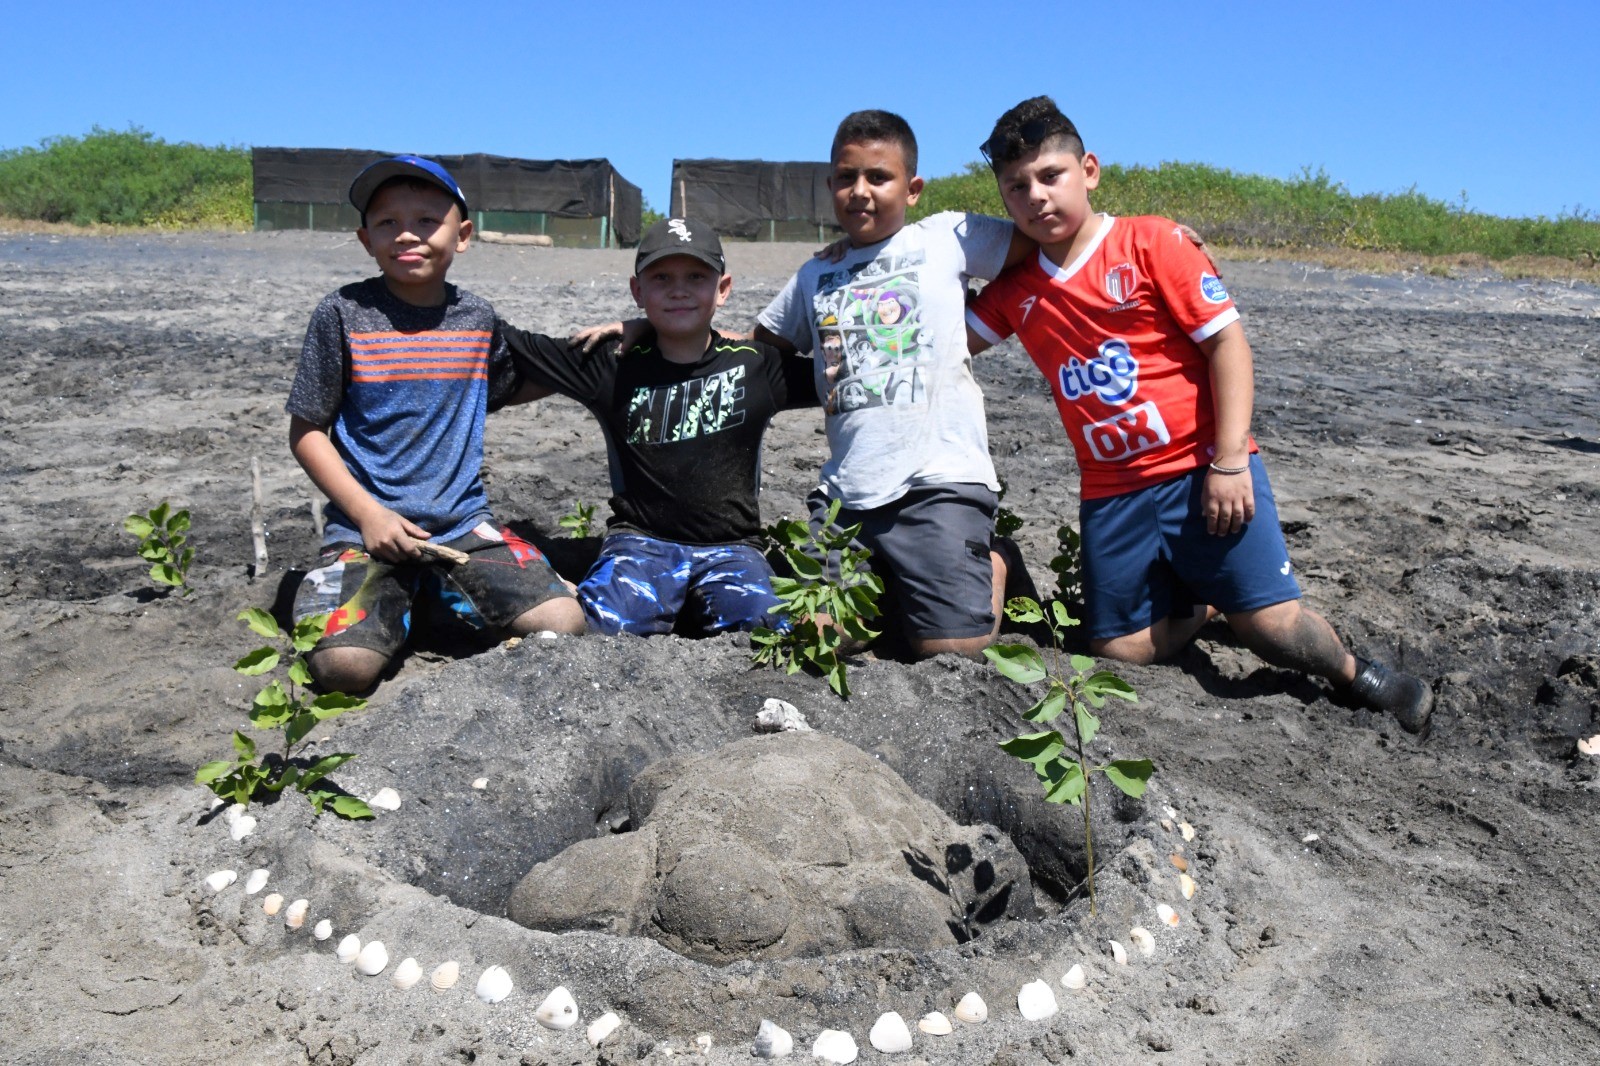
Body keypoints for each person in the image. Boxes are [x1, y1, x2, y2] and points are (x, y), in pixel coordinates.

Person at [963, 96, 1432, 736]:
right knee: (1119, 651)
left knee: (1271, 630)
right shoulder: (1016, 291)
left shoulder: (1152, 241)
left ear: (1090, 171)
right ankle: (1205, 602)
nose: (1037, 197)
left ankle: (1356, 673)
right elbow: (949, 338)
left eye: (1051, 176)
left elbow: (1228, 345)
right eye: (1017, 187)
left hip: (1202, 469)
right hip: (1113, 491)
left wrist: (1230, 460)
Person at [286, 155, 584, 693]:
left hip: (462, 527)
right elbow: (306, 432)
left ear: (462, 234)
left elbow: (511, 385)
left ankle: (428, 594)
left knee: (563, 623)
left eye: (427, 221)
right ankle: (388, 598)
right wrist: (369, 515)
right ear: (365, 239)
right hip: (364, 532)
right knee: (343, 670)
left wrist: (600, 355)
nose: (407, 235)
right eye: (387, 223)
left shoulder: (477, 317)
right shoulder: (341, 314)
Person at [752, 109, 1036, 659]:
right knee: (817, 642)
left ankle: (996, 560)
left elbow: (1046, 241)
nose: (859, 191)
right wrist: (645, 326)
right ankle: (893, 587)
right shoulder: (814, 274)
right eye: (844, 177)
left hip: (939, 479)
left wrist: (1141, 235)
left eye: (878, 177)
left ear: (913, 188)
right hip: (846, 493)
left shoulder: (949, 236)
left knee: (953, 652)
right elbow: (760, 346)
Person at [501, 216, 819, 636]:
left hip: (734, 548)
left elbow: (841, 376)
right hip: (639, 544)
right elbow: (514, 345)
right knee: (598, 632)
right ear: (637, 290)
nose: (679, 289)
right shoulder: (609, 362)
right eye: (661, 277)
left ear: (722, 289)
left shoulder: (756, 365)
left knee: (767, 635)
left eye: (696, 276)